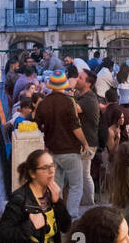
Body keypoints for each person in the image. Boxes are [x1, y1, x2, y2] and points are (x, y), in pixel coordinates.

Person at [33, 70, 92, 217]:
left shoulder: (43, 103)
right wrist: (85, 143)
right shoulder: (69, 102)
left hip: (52, 152)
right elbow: (75, 127)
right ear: (64, 85)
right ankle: (71, 216)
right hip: (71, 151)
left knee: (56, 186)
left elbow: (36, 126)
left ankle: (57, 217)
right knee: (76, 185)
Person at [73, 68, 100, 208]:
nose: (77, 79)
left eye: (80, 78)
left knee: (83, 174)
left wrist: (68, 88)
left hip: (87, 143)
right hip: (84, 142)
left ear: (88, 84)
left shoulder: (89, 99)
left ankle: (89, 204)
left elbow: (72, 109)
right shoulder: (82, 96)